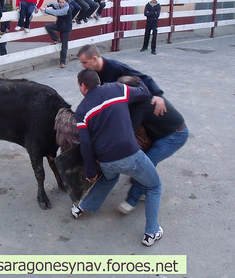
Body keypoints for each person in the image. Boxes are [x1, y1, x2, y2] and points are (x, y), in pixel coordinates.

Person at [71, 68, 163, 247]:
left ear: (83, 86)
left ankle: (81, 207)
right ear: (97, 81)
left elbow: (86, 145)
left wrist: (90, 171)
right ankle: (151, 233)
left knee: (108, 179)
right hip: (131, 155)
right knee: (154, 186)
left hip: (106, 161)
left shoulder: (81, 111)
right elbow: (145, 92)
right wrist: (134, 80)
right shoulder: (117, 89)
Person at [115, 75, 188, 215]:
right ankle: (143, 188)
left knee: (146, 164)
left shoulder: (140, 105)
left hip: (174, 136)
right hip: (161, 133)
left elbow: (127, 131)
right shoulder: (141, 95)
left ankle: (132, 200)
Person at [76, 44, 166, 116]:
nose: (83, 66)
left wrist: (158, 95)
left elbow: (144, 78)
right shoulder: (92, 72)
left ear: (94, 59)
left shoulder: (116, 67)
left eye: (84, 62)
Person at [41, 0, 72, 68]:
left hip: (66, 29)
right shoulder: (58, 5)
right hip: (59, 25)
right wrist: (46, 5)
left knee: (64, 46)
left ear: (66, 2)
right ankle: (57, 39)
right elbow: (52, 3)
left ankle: (62, 62)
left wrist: (44, 10)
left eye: (63, 2)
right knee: (48, 26)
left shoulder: (66, 9)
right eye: (60, 2)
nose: (61, 4)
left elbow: (56, 13)